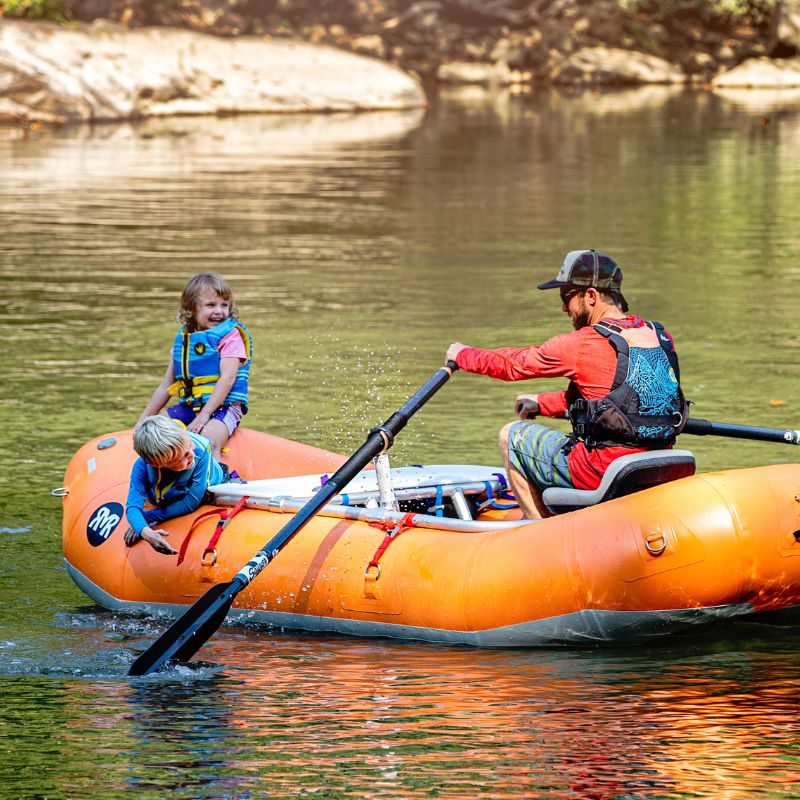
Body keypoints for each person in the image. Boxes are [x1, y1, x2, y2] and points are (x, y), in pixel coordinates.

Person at [445, 249, 687, 519]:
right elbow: (618, 401)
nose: (563, 308)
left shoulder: (583, 342)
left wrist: (462, 356)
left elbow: (514, 364)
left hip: (602, 470)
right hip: (660, 464)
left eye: (567, 297)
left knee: (512, 436)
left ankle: (537, 533)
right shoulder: (659, 335)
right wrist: (543, 403)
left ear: (591, 296)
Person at [136, 273, 253, 460]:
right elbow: (165, 386)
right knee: (157, 431)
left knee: (208, 438)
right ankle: (163, 478)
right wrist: (143, 420)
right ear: (191, 310)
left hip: (225, 407)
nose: (220, 311)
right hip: (190, 406)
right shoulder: (184, 342)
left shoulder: (230, 337)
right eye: (211, 305)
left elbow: (228, 378)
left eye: (224, 305)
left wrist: (204, 416)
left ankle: (213, 484)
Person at [123, 416, 226, 555]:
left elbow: (190, 503)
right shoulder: (142, 466)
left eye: (189, 444)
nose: (191, 454)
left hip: (217, 476)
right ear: (158, 464)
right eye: (181, 457)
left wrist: (145, 518)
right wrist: (145, 532)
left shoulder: (200, 455)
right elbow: (133, 506)